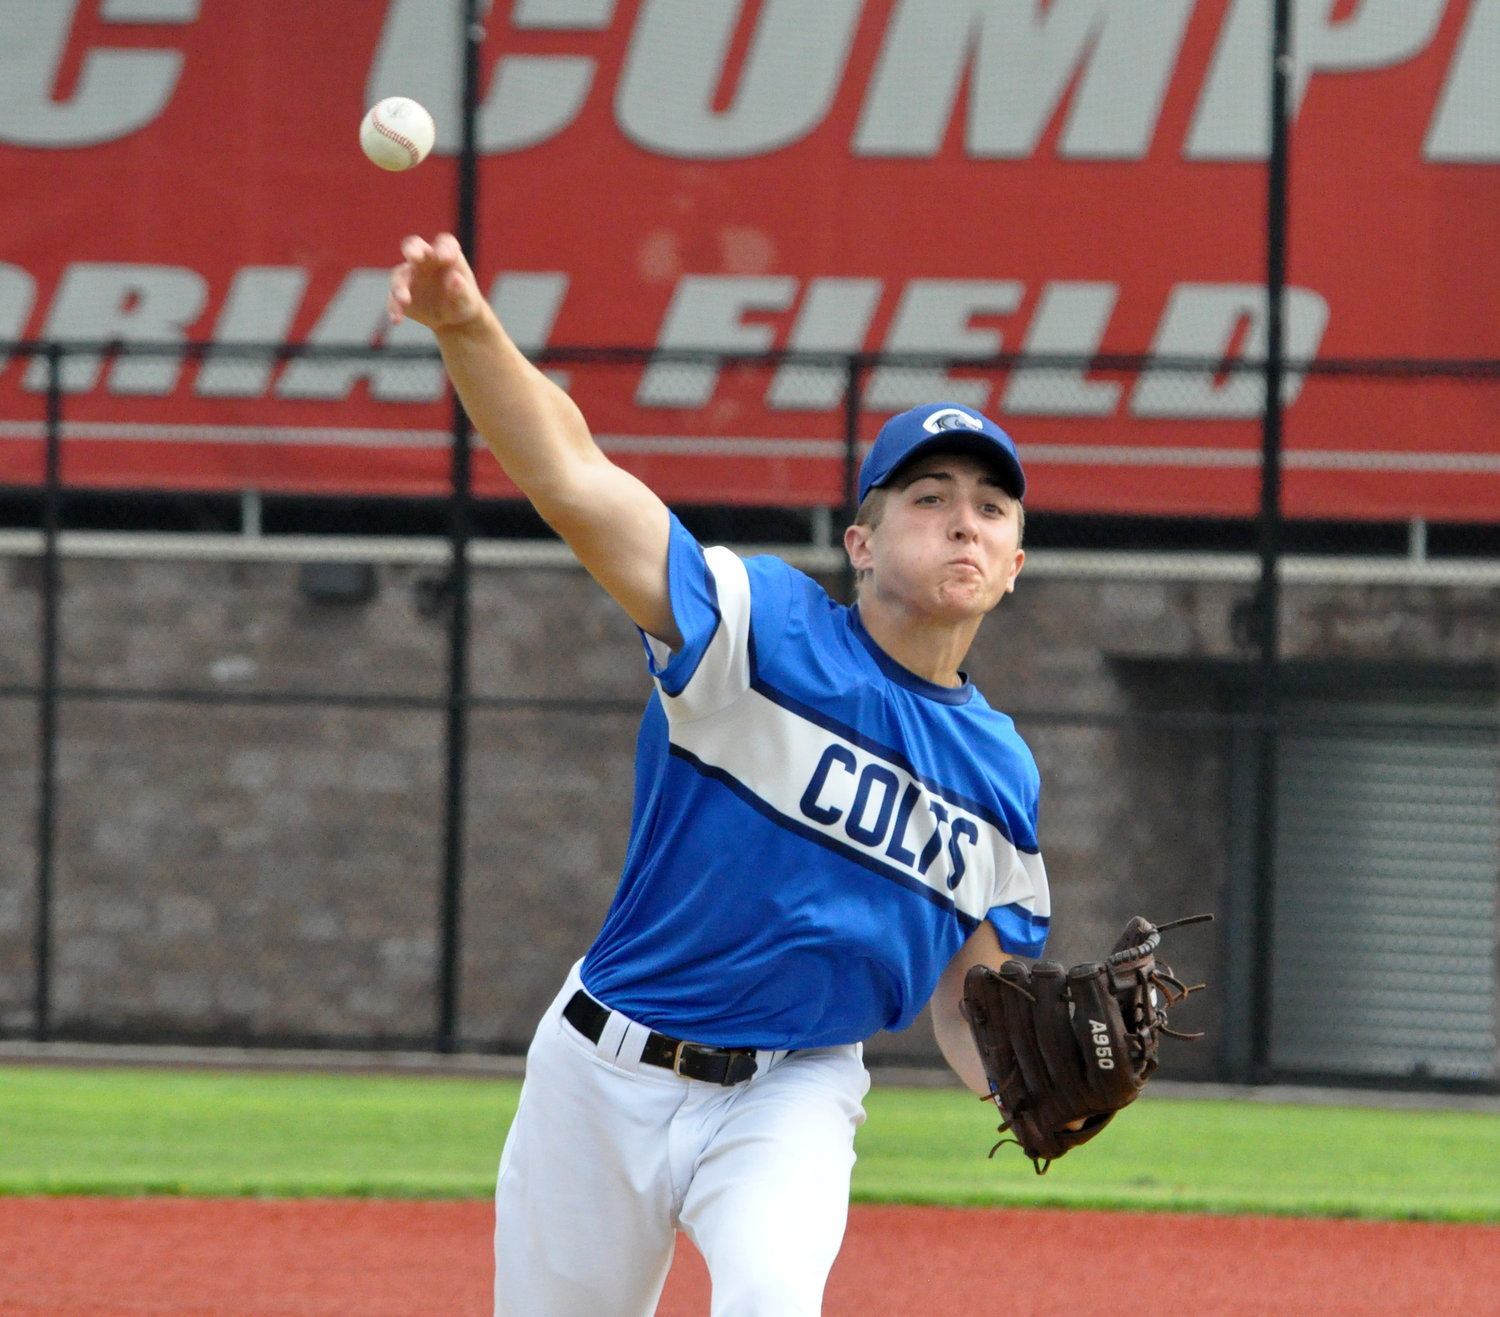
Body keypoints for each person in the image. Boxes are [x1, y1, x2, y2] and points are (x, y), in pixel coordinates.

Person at [388, 233, 1050, 1317]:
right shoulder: (755, 626)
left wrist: (1023, 1092)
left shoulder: (1001, 774)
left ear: (1014, 567)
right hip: (598, 1072)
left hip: (792, 1084)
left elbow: (972, 1002)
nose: (964, 519)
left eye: (991, 506)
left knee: (769, 1298)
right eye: (928, 496)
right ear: (864, 542)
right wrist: (467, 327)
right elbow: (574, 475)